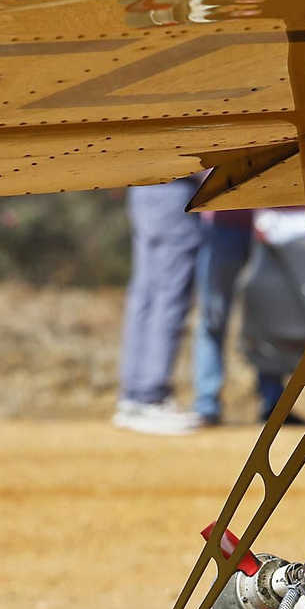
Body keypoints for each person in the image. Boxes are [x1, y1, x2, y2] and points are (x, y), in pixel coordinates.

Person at [112, 177, 205, 435]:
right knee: (169, 298)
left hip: (144, 189)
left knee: (146, 295)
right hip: (174, 190)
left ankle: (133, 396)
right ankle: (150, 397)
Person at [191, 208, 287, 424]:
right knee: (213, 316)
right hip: (220, 224)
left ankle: (273, 403)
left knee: (267, 317)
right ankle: (206, 404)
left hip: (266, 225)